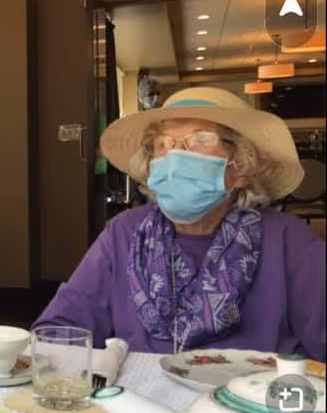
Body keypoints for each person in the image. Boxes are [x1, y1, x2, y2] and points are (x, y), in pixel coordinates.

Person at [34, 87, 325, 361]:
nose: (175, 157)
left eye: (201, 140)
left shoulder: (290, 241)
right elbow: (61, 328)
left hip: (252, 408)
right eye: (163, 144)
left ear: (241, 167)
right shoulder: (123, 232)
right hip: (140, 405)